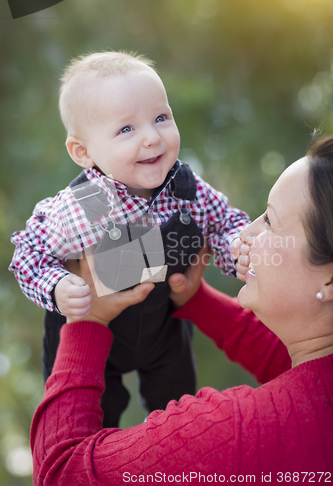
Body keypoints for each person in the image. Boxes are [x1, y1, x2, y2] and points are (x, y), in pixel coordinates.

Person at [30, 136, 333, 485]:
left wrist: (86, 323)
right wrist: (194, 299)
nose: (245, 231)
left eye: (270, 221)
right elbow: (287, 367)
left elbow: (62, 473)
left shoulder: (235, 432)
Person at [9, 51, 249, 427]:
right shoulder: (80, 207)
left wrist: (237, 249)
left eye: (161, 118)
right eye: (126, 129)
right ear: (83, 152)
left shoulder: (187, 189)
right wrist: (56, 286)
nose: (152, 138)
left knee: (182, 411)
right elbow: (28, 254)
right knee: (89, 420)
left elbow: (224, 223)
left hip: (163, 321)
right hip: (92, 329)